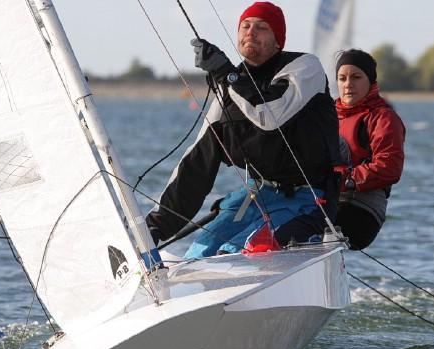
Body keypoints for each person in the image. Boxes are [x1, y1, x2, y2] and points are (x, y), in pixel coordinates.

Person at [146, 1, 340, 258]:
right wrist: (155, 228)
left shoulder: (305, 67)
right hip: (256, 195)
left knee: (239, 253)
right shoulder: (230, 88)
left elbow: (269, 116)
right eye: (246, 26)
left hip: (309, 199)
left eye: (262, 27)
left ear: (278, 40)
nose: (251, 32)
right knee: (199, 254)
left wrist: (227, 74)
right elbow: (197, 165)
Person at [333, 49, 405, 250]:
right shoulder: (327, 115)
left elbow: (389, 167)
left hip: (362, 209)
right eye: (342, 78)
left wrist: (345, 179)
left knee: (305, 227)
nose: (348, 84)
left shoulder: (384, 118)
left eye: (356, 77)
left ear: (371, 82)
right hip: (327, 201)